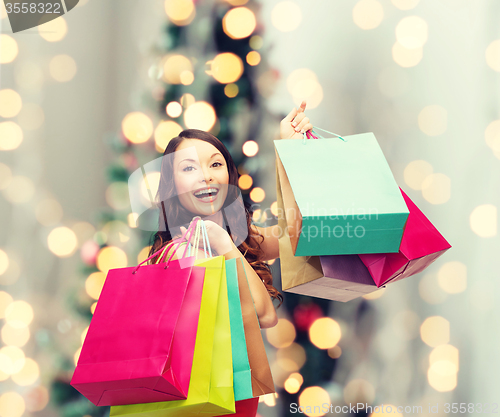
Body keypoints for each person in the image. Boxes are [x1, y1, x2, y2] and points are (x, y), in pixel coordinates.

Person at [148, 100, 313, 330]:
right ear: (172, 185)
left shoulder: (232, 235)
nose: (206, 176)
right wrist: (226, 245)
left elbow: (300, 236)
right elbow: (264, 315)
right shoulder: (183, 252)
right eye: (188, 168)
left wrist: (290, 152)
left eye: (216, 164)